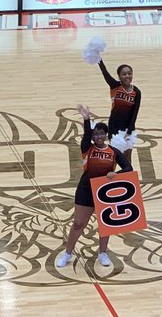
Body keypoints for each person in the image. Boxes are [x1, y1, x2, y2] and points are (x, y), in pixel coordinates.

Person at [54, 105, 134, 270]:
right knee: (77, 224)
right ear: (92, 136)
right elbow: (85, 135)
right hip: (86, 190)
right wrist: (86, 118)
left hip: (104, 191)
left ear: (106, 135)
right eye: (95, 133)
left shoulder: (113, 151)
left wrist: (115, 175)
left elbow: (128, 168)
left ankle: (102, 253)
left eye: (101, 133)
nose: (98, 136)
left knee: (105, 224)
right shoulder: (87, 148)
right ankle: (68, 253)